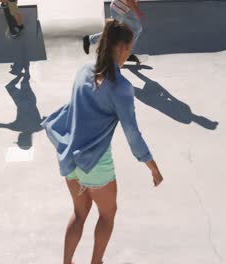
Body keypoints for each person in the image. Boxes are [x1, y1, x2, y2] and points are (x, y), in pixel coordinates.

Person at [41, 20, 163, 264]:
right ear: (120, 49)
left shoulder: (83, 71)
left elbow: (73, 110)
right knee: (107, 214)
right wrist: (153, 167)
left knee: (79, 211)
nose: (130, 51)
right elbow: (133, 134)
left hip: (69, 155)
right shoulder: (121, 88)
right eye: (129, 47)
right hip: (95, 161)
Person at [83, 0, 143, 64]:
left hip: (126, 9)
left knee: (133, 29)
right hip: (119, 8)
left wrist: (136, 8)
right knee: (115, 32)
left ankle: (127, 53)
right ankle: (127, 53)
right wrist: (137, 11)